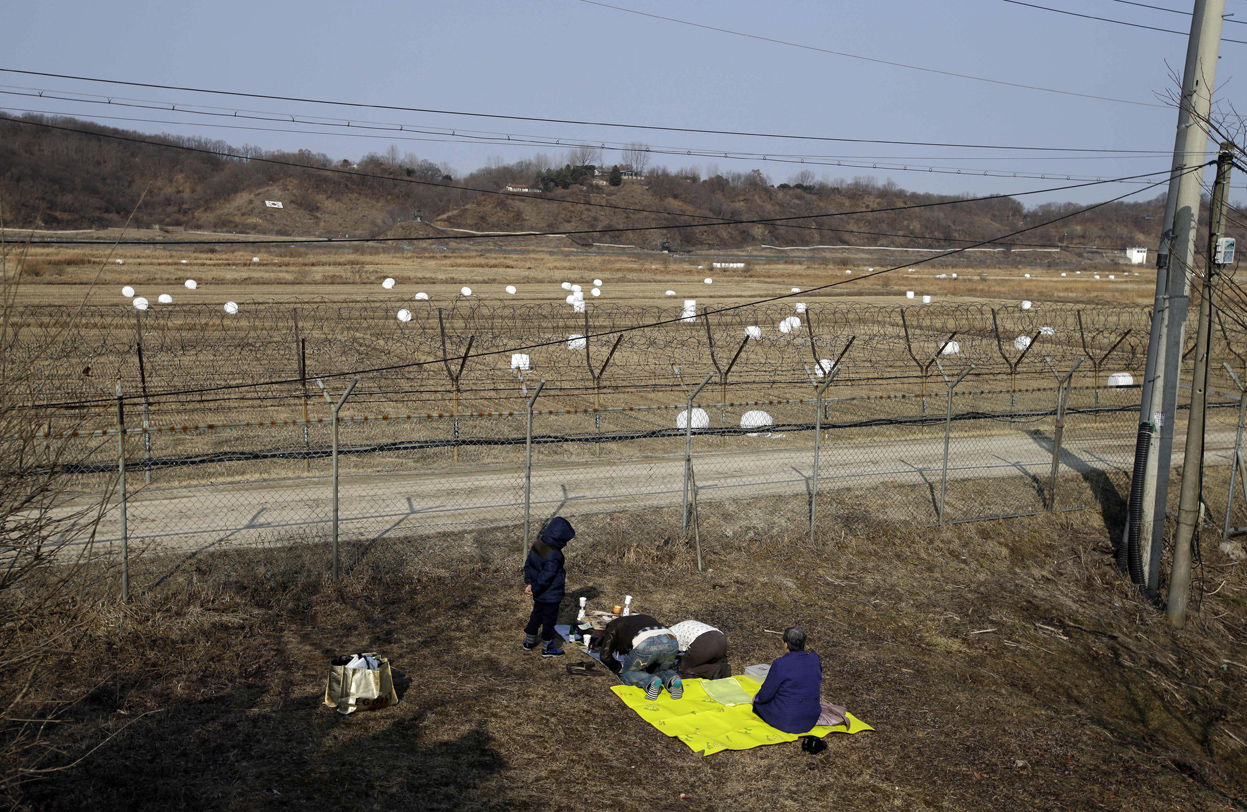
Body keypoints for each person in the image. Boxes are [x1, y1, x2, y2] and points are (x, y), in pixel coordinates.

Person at [596, 613, 683, 701]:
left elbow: (605, 656)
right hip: (670, 639)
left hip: (646, 641)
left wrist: (619, 668)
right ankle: (673, 680)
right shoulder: (645, 617)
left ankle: (650, 682)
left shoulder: (613, 625)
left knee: (629, 673)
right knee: (660, 669)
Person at [752, 626, 822, 734]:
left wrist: (756, 699)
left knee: (759, 704)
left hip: (787, 720)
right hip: (811, 718)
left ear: (786, 644)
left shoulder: (780, 664)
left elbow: (766, 694)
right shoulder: (815, 659)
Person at [522, 516, 575, 658]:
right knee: (549, 621)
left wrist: (530, 583)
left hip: (540, 594)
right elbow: (547, 576)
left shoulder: (539, 545)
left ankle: (529, 641)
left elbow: (529, 565)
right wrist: (535, 588)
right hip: (551, 595)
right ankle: (548, 647)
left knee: (536, 615)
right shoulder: (555, 555)